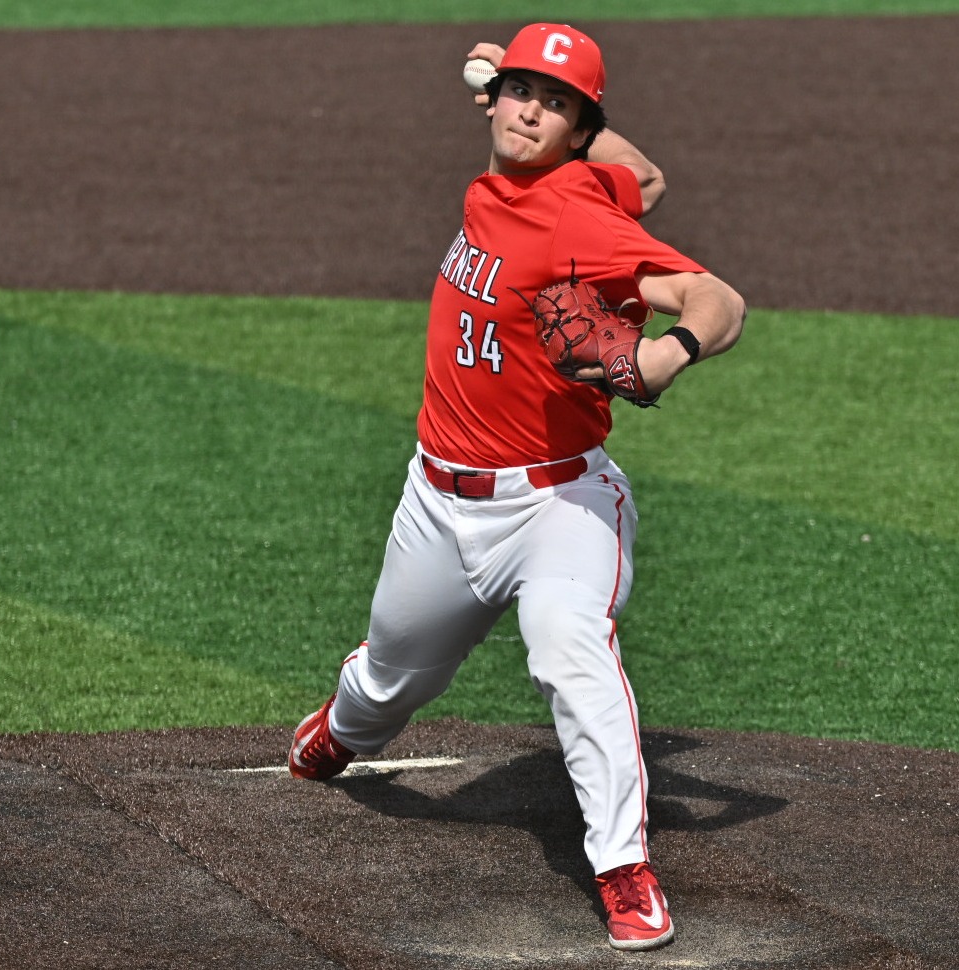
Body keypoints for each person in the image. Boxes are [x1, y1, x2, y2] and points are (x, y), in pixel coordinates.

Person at [287, 22, 745, 952]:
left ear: (582, 128)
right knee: (387, 684)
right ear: (492, 102)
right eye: (521, 93)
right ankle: (342, 726)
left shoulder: (578, 216)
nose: (531, 110)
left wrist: (666, 354)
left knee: (567, 649)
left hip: (556, 507)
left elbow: (718, 299)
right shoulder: (527, 183)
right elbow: (644, 178)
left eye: (557, 103)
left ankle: (622, 867)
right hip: (437, 503)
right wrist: (533, 99)